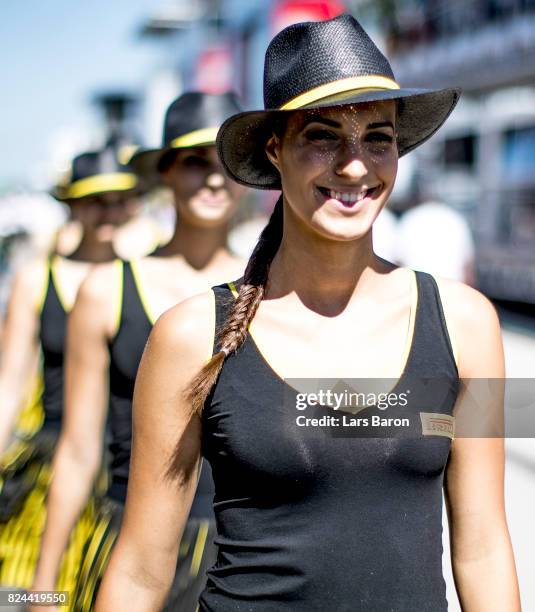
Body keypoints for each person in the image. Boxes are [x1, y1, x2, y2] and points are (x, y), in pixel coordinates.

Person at [97, 15, 520, 612]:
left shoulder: (468, 324)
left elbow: (483, 547)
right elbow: (142, 568)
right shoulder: (192, 335)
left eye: (378, 138)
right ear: (275, 150)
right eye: (323, 135)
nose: (355, 165)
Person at [30, 92, 246, 612]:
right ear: (165, 173)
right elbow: (80, 451)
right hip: (129, 548)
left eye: (226, 162)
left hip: (242, 556)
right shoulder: (105, 290)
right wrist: (40, 591)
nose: (214, 178)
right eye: (196, 162)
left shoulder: (273, 289)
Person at [0, 146, 141, 591]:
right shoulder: (36, 279)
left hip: (123, 462)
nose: (108, 210)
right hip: (49, 458)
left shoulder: (143, 277)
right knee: (31, 586)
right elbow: (10, 381)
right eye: (95, 199)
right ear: (73, 205)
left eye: (119, 199)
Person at [397, 199, 475, 283]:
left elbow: (398, 262)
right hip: (452, 286)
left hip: (415, 287)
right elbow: (468, 268)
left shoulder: (409, 218)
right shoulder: (456, 217)